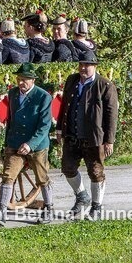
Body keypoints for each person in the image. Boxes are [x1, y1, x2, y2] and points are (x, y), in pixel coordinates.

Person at [56, 49, 118, 220]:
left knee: (96, 172)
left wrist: (109, 140)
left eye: (87, 65)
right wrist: (60, 128)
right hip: (72, 134)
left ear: (95, 66)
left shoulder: (105, 85)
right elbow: (65, 106)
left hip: (94, 137)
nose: (83, 68)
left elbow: (112, 115)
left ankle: (96, 207)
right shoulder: (72, 81)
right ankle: (82, 196)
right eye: (81, 64)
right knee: (67, 168)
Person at [0, 63, 54, 226]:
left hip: (37, 144)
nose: (21, 83)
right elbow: (10, 119)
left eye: (24, 80)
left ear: (33, 80)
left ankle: (49, 208)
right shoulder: (12, 94)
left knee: (42, 177)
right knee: (8, 176)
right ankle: (2, 209)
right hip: (15, 142)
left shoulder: (43, 97)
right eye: (19, 79)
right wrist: (8, 142)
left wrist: (31, 144)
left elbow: (45, 125)